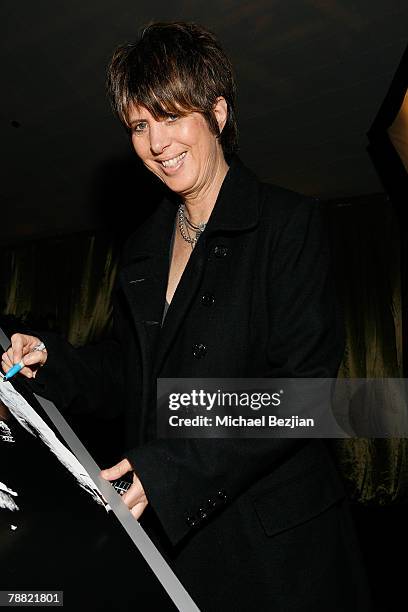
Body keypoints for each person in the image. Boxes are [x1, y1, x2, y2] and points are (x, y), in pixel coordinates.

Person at [1, 22, 371, 611]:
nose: (156, 143)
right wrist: (54, 361)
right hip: (177, 547)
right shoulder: (144, 247)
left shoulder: (286, 224)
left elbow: (303, 394)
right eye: (140, 125)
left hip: (277, 550)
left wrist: (169, 469)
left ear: (218, 113)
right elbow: (129, 374)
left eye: (171, 116)